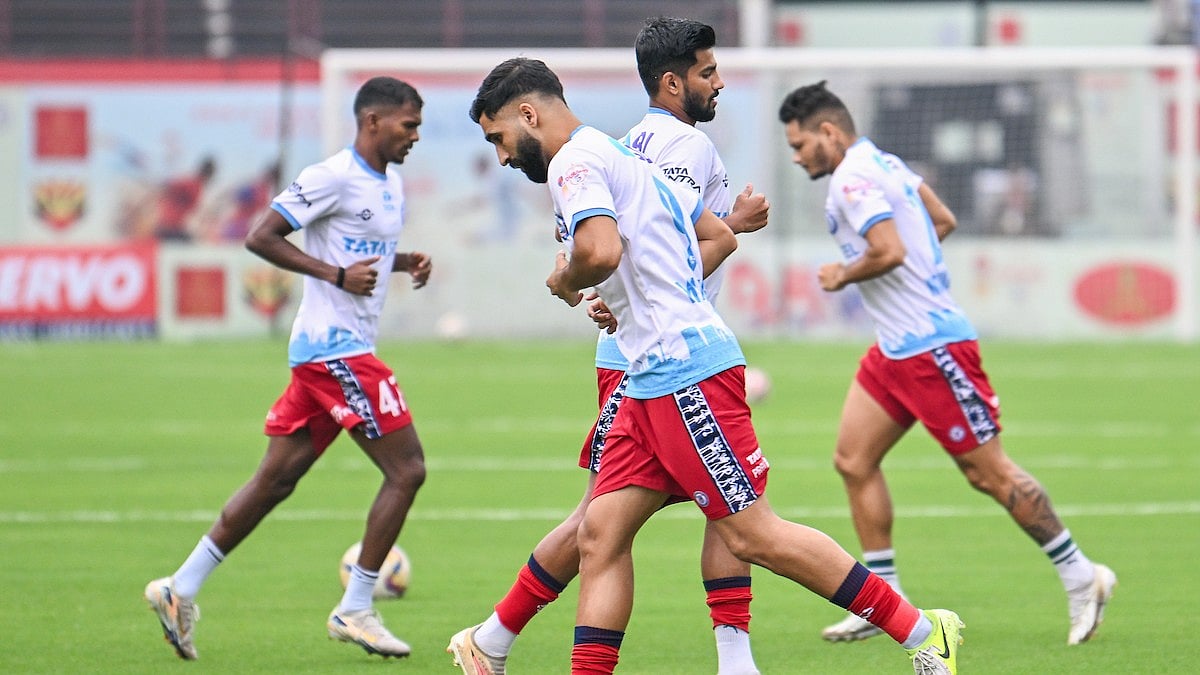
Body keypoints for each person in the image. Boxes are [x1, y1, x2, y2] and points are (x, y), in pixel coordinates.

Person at [468, 56, 963, 675]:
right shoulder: (619, 155)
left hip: (684, 374)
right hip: (648, 376)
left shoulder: (576, 161)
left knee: (754, 534)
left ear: (528, 113)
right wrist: (627, 295)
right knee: (599, 534)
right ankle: (499, 644)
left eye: (499, 139)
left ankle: (921, 632)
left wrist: (568, 279)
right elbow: (710, 235)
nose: (504, 156)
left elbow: (598, 250)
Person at [447, 18, 769, 675]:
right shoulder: (680, 145)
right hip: (659, 357)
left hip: (650, 352)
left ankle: (495, 637)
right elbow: (675, 241)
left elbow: (623, 239)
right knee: (671, 520)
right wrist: (733, 222)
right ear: (673, 81)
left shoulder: (615, 143)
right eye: (708, 72)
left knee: (616, 522)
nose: (719, 82)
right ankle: (497, 635)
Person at [776, 80, 1116, 646]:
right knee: (853, 460)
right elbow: (942, 220)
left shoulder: (852, 180)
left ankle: (1083, 576)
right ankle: (884, 599)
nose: (796, 156)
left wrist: (844, 272)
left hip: (933, 349)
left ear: (828, 133)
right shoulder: (885, 162)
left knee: (990, 473)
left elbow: (889, 251)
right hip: (896, 347)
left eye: (800, 144)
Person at [143, 76, 432, 661]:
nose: (415, 136)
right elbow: (261, 236)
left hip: (326, 355)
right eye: (408, 125)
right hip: (336, 351)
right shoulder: (332, 176)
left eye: (419, 127)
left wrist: (400, 262)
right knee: (408, 471)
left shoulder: (391, 184)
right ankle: (355, 607)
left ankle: (181, 587)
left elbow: (356, 250)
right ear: (372, 121)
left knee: (275, 480)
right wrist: (334, 278)